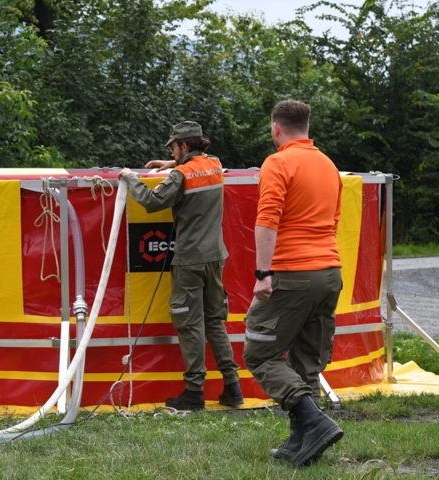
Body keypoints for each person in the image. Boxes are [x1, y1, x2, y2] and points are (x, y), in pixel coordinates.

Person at [242, 100, 344, 466]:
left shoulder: (279, 162)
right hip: (329, 272)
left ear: (276, 128)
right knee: (306, 360)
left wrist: (263, 273)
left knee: (260, 353)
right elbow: (334, 221)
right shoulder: (329, 165)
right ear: (307, 126)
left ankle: (314, 422)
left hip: (292, 273)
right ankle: (302, 443)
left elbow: (268, 218)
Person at [118, 121, 243, 411]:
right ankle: (232, 386)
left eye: (173, 148)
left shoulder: (181, 175)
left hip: (190, 259)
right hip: (215, 256)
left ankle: (194, 391)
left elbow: (151, 201)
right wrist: (173, 163)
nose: (171, 153)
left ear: (184, 146)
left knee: (189, 324)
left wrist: (130, 177)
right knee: (214, 322)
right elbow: (196, 166)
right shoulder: (214, 164)